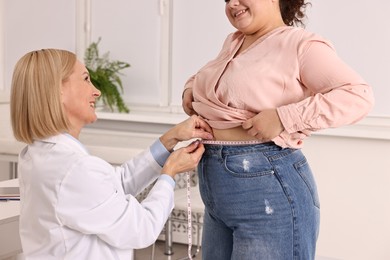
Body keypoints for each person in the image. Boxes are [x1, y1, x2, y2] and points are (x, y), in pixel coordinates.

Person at [182, 0, 374, 259]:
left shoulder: (301, 45)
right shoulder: (234, 42)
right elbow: (214, 78)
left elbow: (358, 95)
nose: (231, 4)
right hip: (217, 192)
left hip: (268, 189)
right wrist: (190, 89)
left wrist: (285, 117)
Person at [10, 49, 214, 260]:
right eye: (86, 79)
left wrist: (169, 139)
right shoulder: (73, 169)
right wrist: (169, 173)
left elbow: (112, 186)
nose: (96, 91)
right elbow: (142, 228)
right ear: (56, 90)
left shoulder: (36, 155)